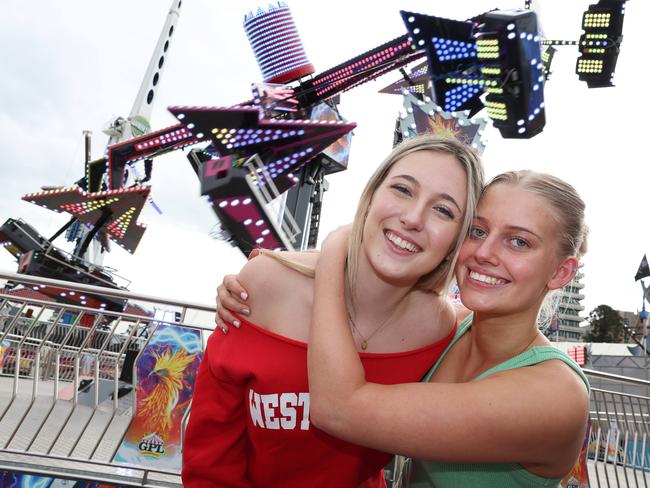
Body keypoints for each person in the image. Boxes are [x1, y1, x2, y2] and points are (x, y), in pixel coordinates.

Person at [217, 170, 591, 487]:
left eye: (518, 242)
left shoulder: (555, 396)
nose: (484, 253)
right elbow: (375, 293)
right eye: (477, 231)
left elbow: (338, 410)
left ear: (561, 272)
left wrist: (335, 251)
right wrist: (262, 280)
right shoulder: (449, 325)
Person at [182, 134, 484, 487]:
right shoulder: (266, 283)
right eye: (403, 190)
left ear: (455, 243)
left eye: (443, 210)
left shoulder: (442, 329)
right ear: (370, 198)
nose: (414, 218)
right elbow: (211, 446)